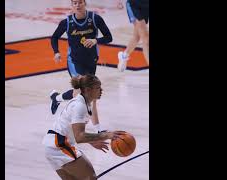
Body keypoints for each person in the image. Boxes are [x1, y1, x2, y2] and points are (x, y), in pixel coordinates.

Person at [42, 74, 124, 180]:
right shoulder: (80, 105)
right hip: (59, 145)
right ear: (88, 90)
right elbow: (79, 137)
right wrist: (107, 135)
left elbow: (75, 130)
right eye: (98, 88)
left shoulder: (84, 103)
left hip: (53, 146)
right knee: (91, 177)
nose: (101, 90)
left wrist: (92, 141)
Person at [50, 0, 113, 133]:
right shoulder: (67, 22)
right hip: (74, 61)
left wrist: (96, 40)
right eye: (74, 3)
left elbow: (109, 37)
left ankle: (56, 98)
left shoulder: (95, 19)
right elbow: (54, 37)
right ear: (71, 6)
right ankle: (98, 130)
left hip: (91, 61)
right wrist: (56, 52)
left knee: (82, 93)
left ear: (85, 3)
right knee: (90, 93)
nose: (77, 5)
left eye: (80, 2)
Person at [117, 0, 149, 72]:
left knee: (137, 37)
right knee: (146, 39)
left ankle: (124, 55)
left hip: (146, 5)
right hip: (134, 5)